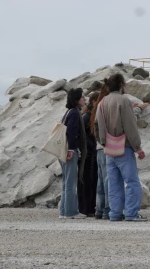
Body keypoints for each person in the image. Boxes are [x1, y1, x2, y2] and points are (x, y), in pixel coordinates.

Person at [95, 73, 147, 222]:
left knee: (113, 183)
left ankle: (115, 213)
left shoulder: (102, 102)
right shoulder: (124, 101)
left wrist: (103, 142)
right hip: (124, 147)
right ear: (121, 85)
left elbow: (96, 126)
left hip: (109, 148)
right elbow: (130, 126)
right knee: (132, 182)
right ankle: (131, 213)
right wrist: (138, 147)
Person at [60, 88, 87, 219]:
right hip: (69, 151)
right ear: (77, 100)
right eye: (82, 97)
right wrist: (71, 149)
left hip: (62, 150)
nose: (85, 99)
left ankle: (64, 211)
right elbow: (71, 132)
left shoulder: (68, 112)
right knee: (70, 182)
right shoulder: (75, 113)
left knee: (66, 182)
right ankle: (70, 212)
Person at [90, 84, 110, 220]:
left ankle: (99, 209)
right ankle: (107, 210)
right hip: (105, 147)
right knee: (108, 180)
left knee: (101, 181)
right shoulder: (105, 106)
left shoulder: (97, 107)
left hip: (98, 148)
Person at [79, 95, 98, 216]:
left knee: (92, 180)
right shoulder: (87, 116)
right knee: (88, 181)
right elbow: (83, 135)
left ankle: (90, 207)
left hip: (91, 152)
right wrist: (91, 145)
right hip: (88, 154)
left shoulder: (90, 115)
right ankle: (87, 209)